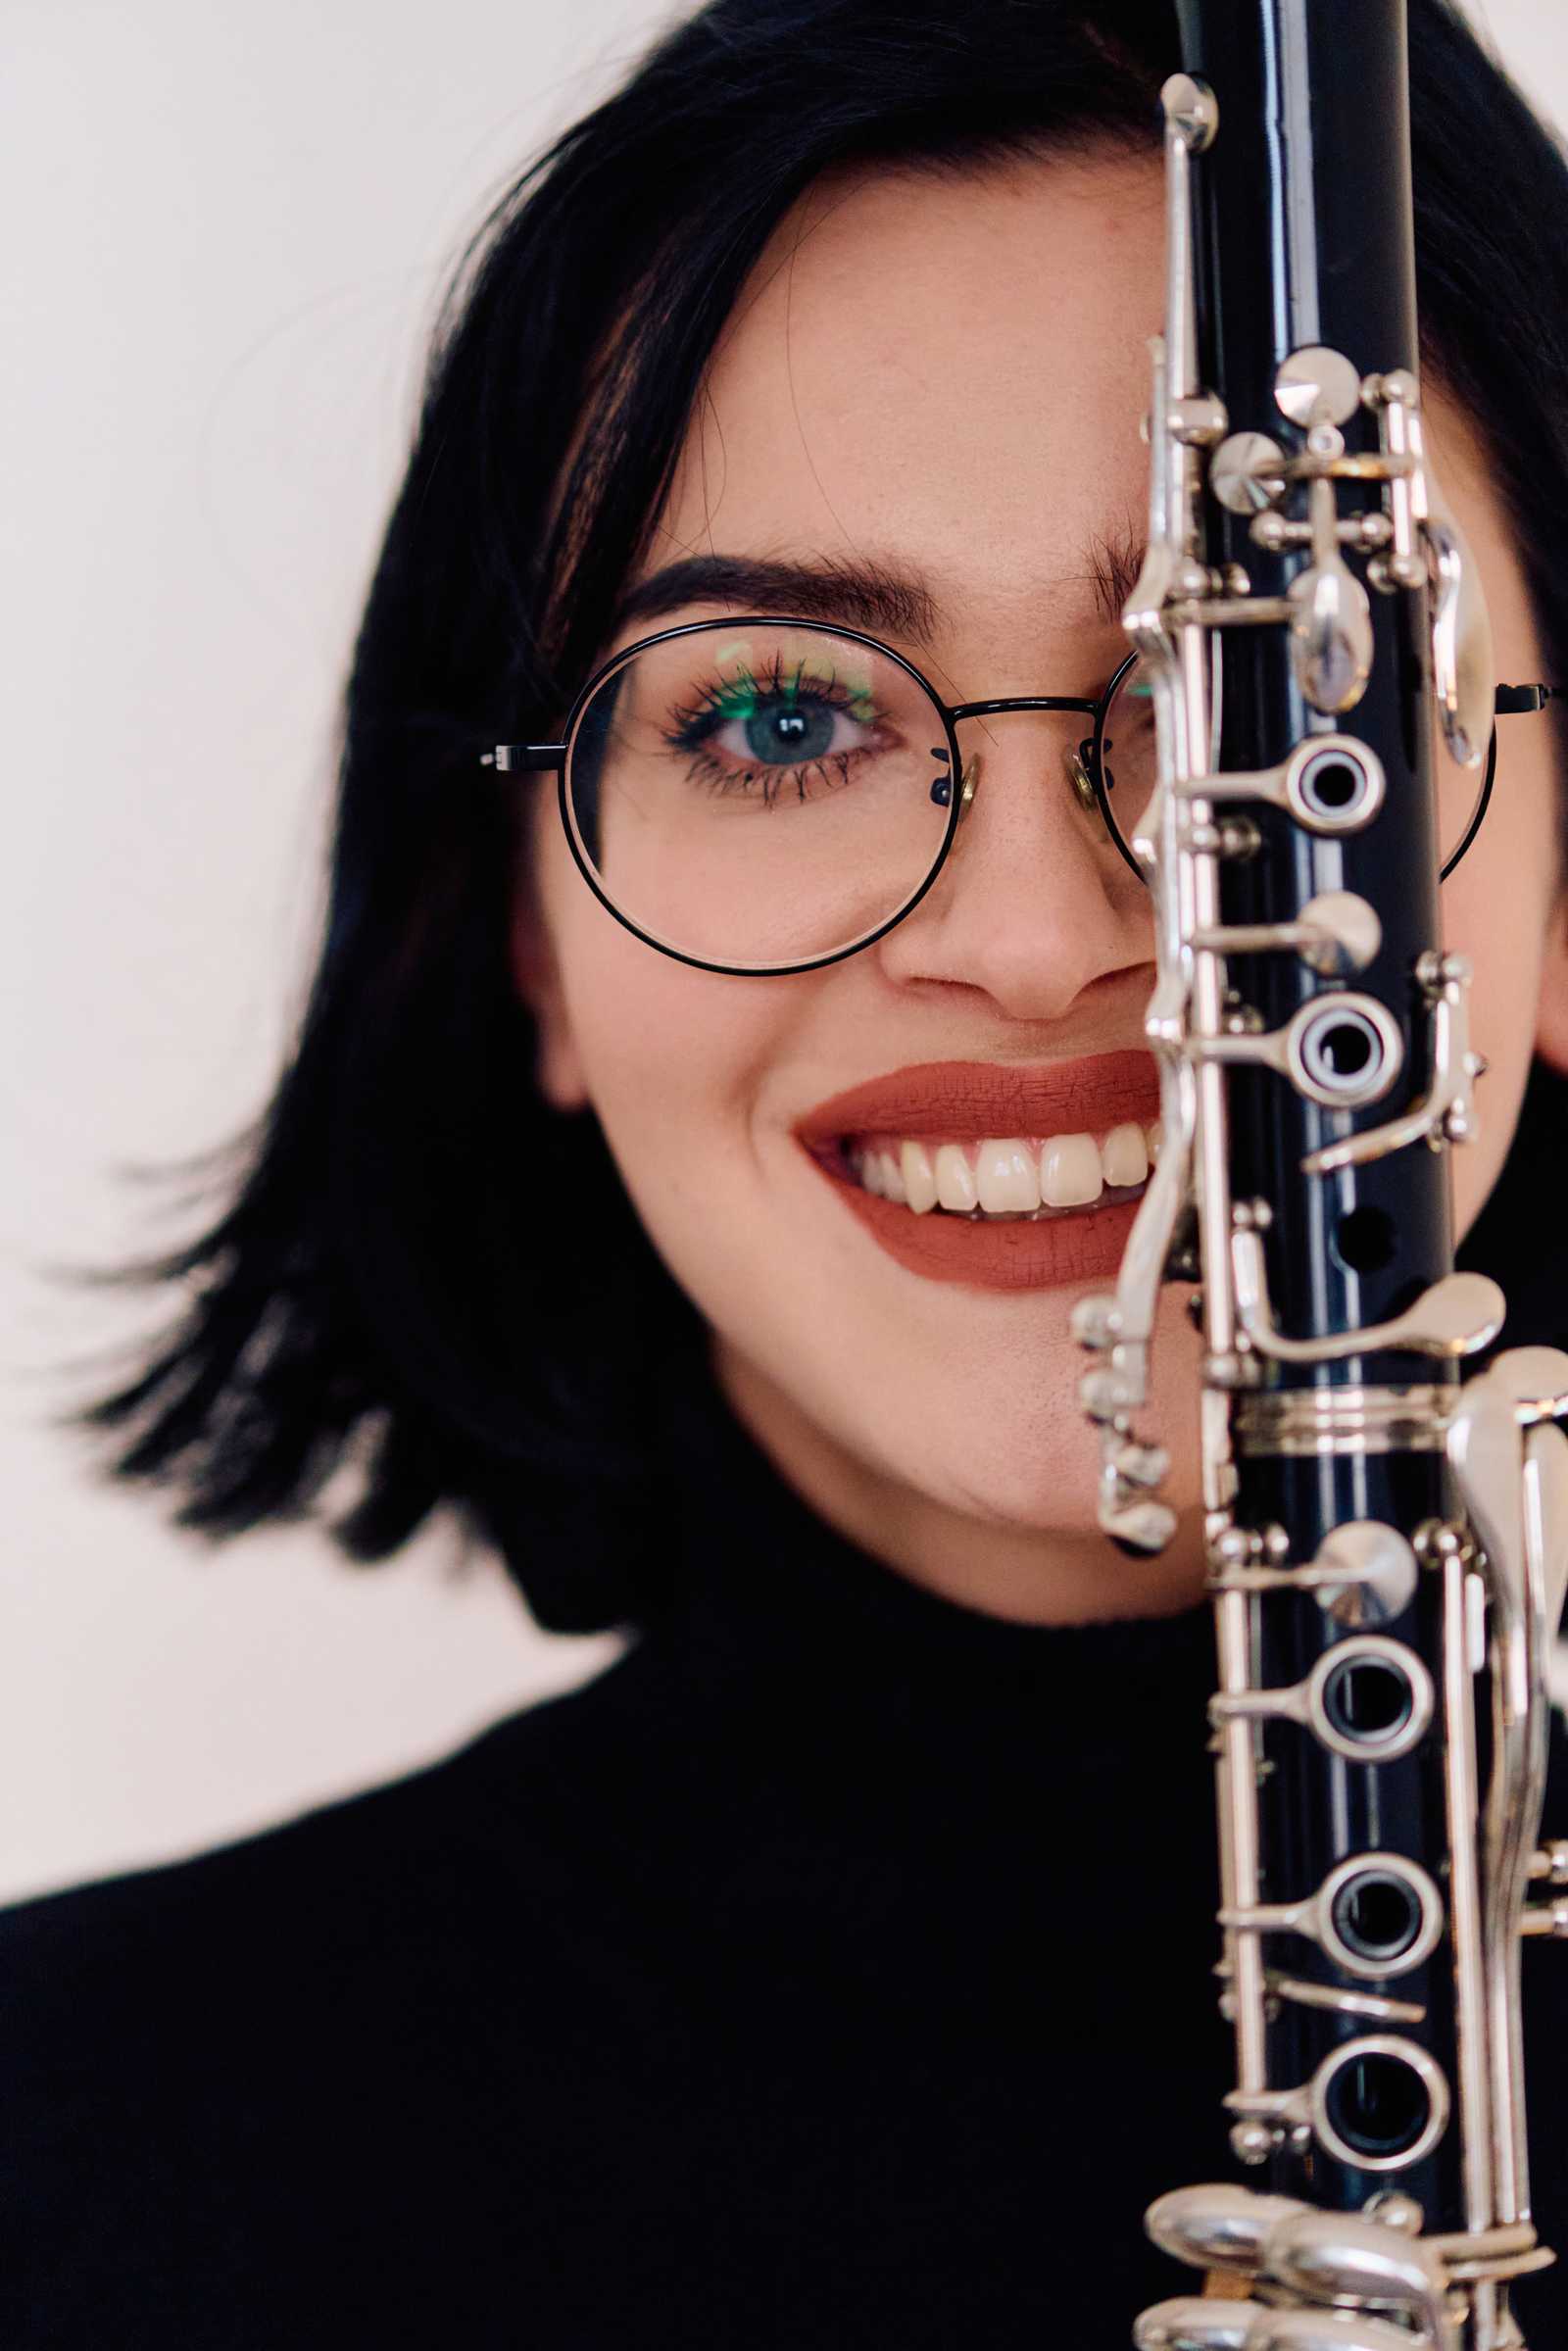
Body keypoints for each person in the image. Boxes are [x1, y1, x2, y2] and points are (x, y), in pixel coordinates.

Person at [6, 0, 1568, 2341]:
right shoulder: (66, 2161)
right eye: (775, 714)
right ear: (515, 929)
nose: (1042, 943)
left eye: (1274, 697)